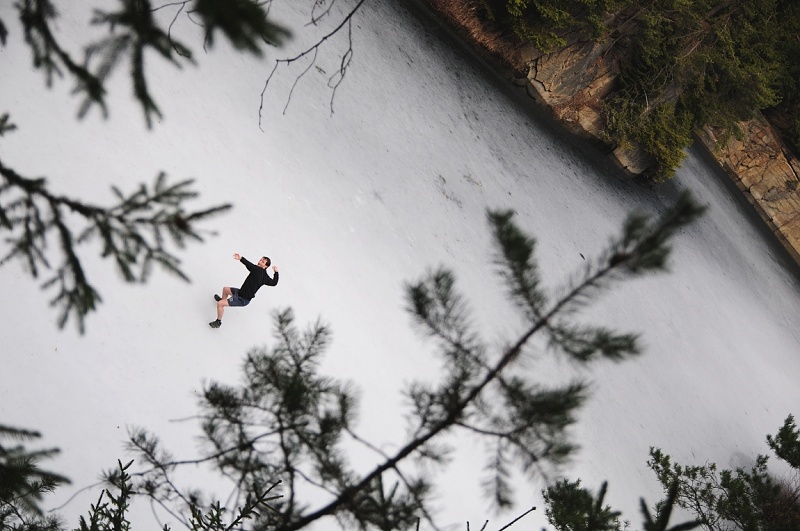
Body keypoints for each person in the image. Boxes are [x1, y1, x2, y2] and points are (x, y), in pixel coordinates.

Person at [209, 253, 279, 328]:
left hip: (242, 299)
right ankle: (224, 301)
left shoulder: (257, 269)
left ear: (265, 266)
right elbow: (274, 283)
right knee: (225, 289)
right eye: (261, 260)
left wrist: (241, 258)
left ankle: (218, 322)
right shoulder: (265, 277)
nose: (260, 261)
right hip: (240, 292)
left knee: (220, 304)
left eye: (262, 262)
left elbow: (249, 265)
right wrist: (276, 272)